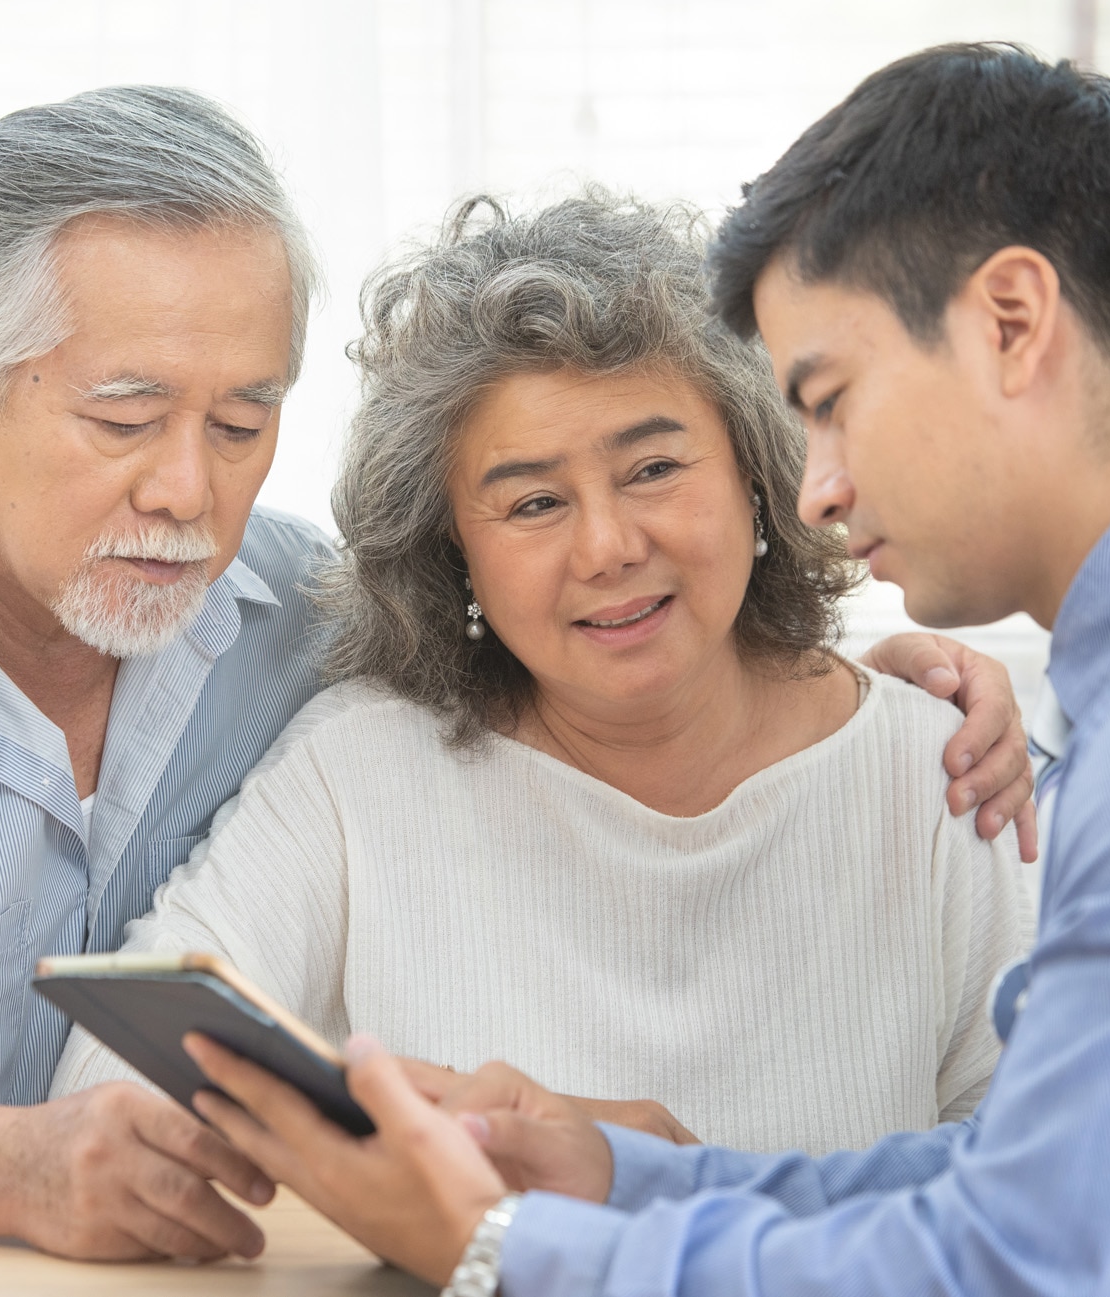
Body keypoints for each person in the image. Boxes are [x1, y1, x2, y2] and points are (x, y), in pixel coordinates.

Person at [0, 85, 1032, 1261]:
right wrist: (12, 1170)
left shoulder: (307, 608)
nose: (190, 492)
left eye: (244, 423)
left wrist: (908, 685)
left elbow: (626, 620)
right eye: (126, 416)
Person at [185, 43, 1110, 1296]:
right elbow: (1013, 1175)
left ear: (1012, 323)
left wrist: (503, 1251)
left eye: (828, 397)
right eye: (533, 502)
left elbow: (1023, 1264)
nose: (820, 484)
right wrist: (625, 1176)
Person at [53, 194, 1035, 1157]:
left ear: (753, 473)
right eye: (531, 503)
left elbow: (1060, 1193)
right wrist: (402, 1130)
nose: (607, 547)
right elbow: (113, 1097)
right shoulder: (359, 771)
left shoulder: (941, 772)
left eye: (654, 468)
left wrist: (637, 1180)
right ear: (456, 555)